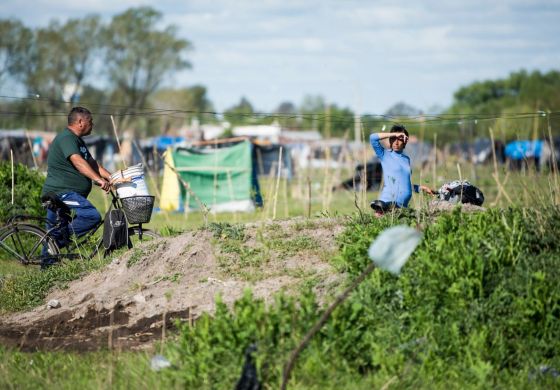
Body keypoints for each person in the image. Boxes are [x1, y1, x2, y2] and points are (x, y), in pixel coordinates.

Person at [41, 107, 112, 267]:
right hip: (62, 193)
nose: (92, 124)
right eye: (90, 121)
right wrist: (98, 180)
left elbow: (92, 164)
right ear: (80, 122)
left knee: (52, 233)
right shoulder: (67, 138)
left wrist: (111, 177)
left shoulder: (78, 141)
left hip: (63, 193)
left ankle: (47, 272)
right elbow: (78, 162)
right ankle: (58, 241)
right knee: (91, 216)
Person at [369, 124, 433, 215]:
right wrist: (394, 134)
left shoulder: (406, 159)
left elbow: (403, 183)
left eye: (399, 139)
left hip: (402, 208)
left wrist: (419, 188)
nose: (396, 142)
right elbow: (372, 138)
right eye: (393, 139)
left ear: (405, 142)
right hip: (386, 206)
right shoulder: (384, 155)